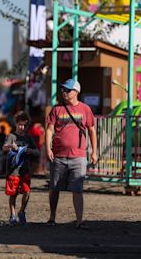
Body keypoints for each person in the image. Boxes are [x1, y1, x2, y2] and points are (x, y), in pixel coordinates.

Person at [45, 79, 97, 229]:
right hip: (58, 155)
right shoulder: (57, 109)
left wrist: (94, 152)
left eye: (67, 90)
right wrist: (48, 149)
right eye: (63, 90)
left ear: (76, 92)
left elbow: (91, 130)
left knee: (77, 189)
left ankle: (79, 220)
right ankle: (52, 217)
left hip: (79, 156)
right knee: (54, 188)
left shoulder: (85, 109)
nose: (64, 93)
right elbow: (49, 129)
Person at [3, 111, 39, 225]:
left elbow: (37, 151)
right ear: (15, 123)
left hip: (25, 170)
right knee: (13, 194)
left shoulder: (29, 138)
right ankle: (12, 214)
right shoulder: (11, 136)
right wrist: (10, 146)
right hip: (13, 171)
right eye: (19, 124)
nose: (21, 127)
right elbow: (4, 148)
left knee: (27, 192)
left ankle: (22, 211)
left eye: (24, 125)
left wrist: (30, 151)